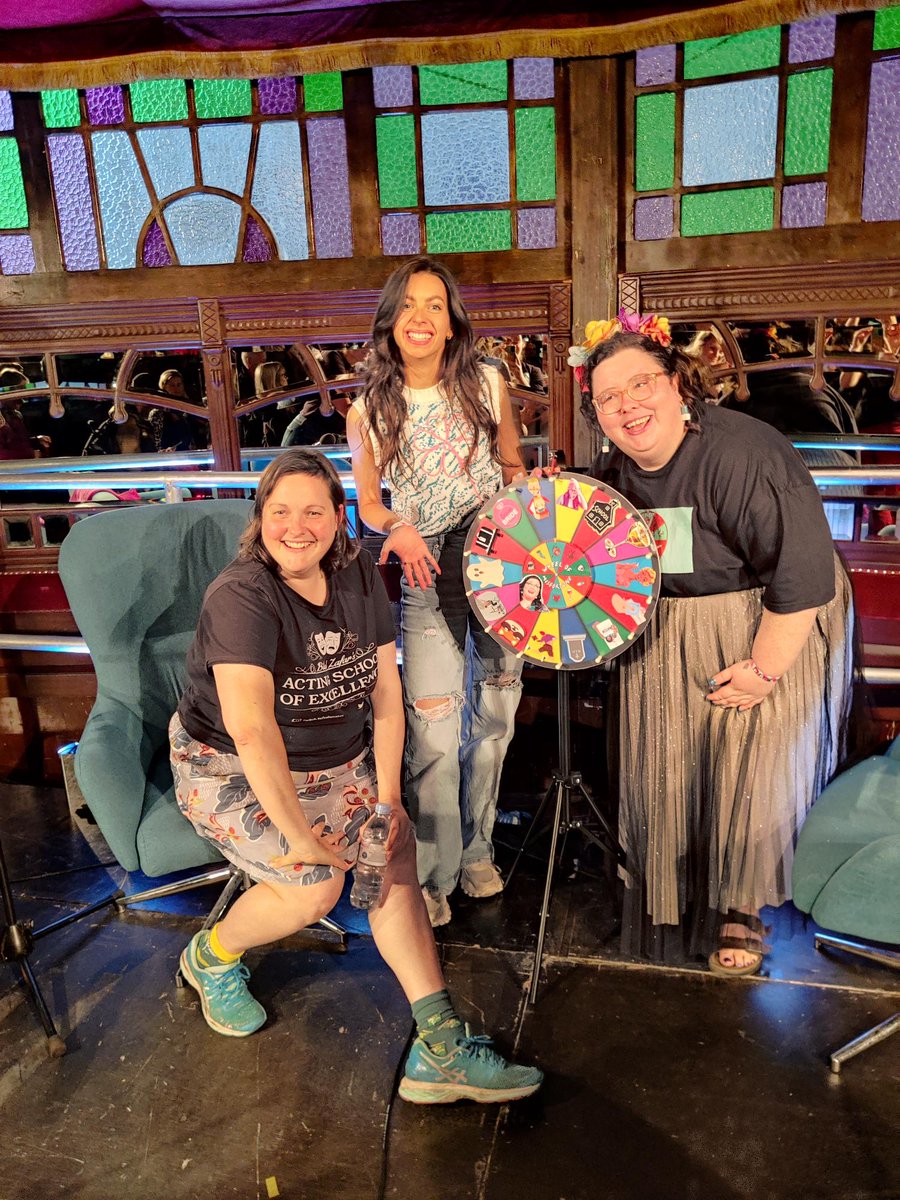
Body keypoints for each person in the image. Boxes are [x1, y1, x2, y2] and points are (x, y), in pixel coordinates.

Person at [168, 449, 542, 1103]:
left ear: (338, 519)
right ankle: (211, 956)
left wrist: (391, 801)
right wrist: (299, 838)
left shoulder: (360, 575)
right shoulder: (242, 596)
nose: (296, 527)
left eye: (314, 511)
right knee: (313, 886)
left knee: (390, 852)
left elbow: (387, 696)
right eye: (280, 512)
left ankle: (440, 1046)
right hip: (228, 766)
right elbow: (253, 733)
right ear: (261, 519)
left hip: (335, 761)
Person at [570, 312, 854, 975]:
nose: (627, 405)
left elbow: (803, 575)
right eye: (609, 398)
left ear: (678, 384)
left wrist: (765, 668)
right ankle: (675, 886)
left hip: (774, 615)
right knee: (666, 754)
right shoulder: (614, 472)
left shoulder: (741, 454)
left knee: (753, 754)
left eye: (641, 385)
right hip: (672, 625)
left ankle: (742, 908)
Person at [347, 257, 527, 928]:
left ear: (452, 323)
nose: (420, 318)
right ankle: (431, 872)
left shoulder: (487, 382)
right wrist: (399, 527)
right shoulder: (368, 408)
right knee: (432, 728)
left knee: (495, 720)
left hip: (503, 572)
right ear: (391, 322)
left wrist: (524, 503)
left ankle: (477, 852)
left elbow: (511, 466)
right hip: (425, 576)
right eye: (408, 306)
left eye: (434, 306)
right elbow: (367, 503)